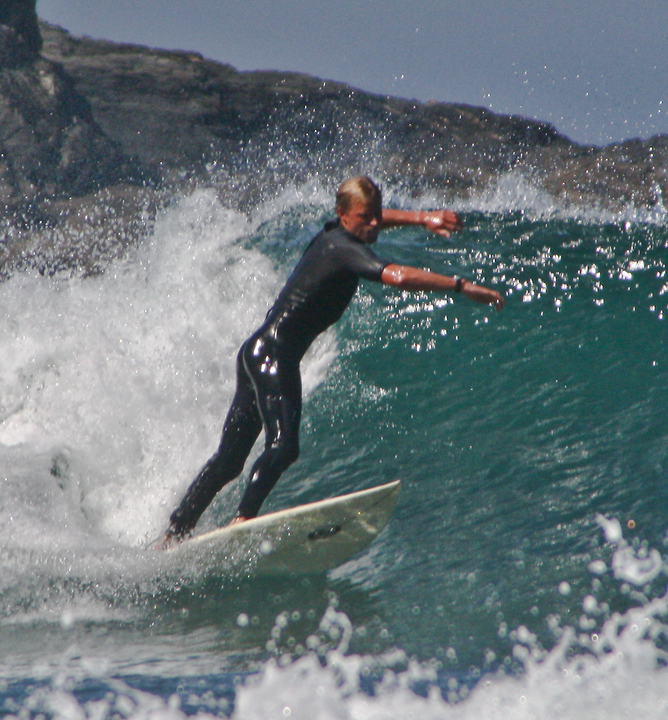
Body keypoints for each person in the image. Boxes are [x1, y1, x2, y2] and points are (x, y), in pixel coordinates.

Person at [156, 175, 504, 547]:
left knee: (228, 462)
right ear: (342, 214)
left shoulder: (334, 234)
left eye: (376, 216)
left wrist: (423, 218)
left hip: (255, 352)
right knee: (283, 446)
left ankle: (173, 534)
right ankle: (241, 521)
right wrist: (461, 286)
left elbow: (372, 218)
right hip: (274, 354)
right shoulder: (344, 249)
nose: (373, 224)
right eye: (365, 218)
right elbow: (398, 277)